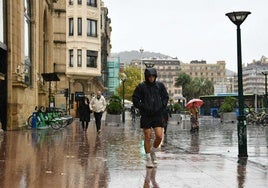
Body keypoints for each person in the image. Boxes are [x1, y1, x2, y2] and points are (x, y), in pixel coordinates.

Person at [132, 67, 169, 168]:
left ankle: (153, 151)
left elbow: (166, 97)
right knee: (147, 136)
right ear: (146, 77)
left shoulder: (160, 86)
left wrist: (162, 106)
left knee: (159, 136)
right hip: (146, 115)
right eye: (149, 76)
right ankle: (148, 159)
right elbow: (135, 98)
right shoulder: (141, 86)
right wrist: (142, 107)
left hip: (157, 114)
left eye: (153, 76)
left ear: (155, 76)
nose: (151, 78)